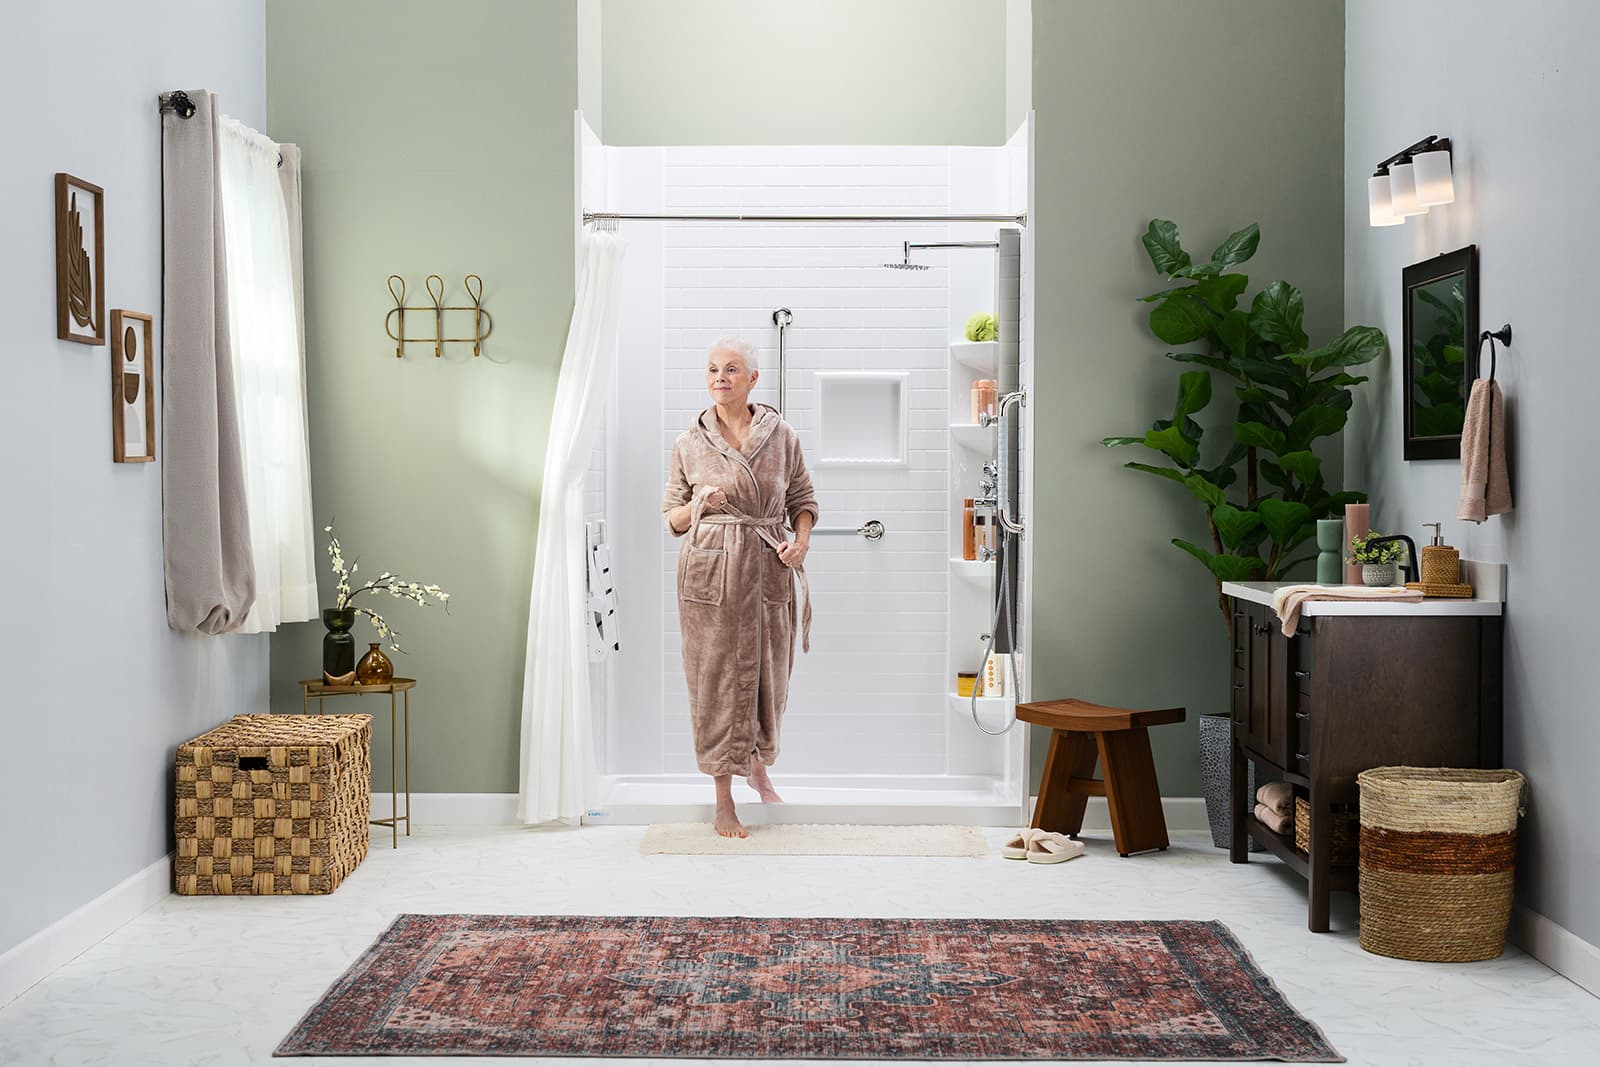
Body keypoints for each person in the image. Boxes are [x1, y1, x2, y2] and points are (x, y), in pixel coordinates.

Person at [662, 336, 817, 838]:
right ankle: (723, 801)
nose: (720, 378)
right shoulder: (689, 442)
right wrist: (699, 503)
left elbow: (803, 498)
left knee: (770, 675)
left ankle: (758, 767)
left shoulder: (782, 435)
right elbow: (672, 518)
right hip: (712, 576)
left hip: (768, 568)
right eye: (712, 369)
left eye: (731, 369)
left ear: (753, 378)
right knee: (715, 682)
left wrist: (801, 543)